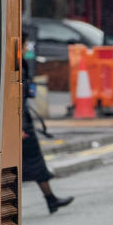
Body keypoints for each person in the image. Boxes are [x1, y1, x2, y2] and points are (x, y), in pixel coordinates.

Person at [21, 32, 72, 213]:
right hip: (21, 126)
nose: (27, 48)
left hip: (23, 122)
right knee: (31, 165)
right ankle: (50, 200)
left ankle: (51, 199)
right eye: (25, 45)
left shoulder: (21, 64)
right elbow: (14, 98)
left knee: (34, 165)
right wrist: (19, 127)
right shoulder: (16, 65)